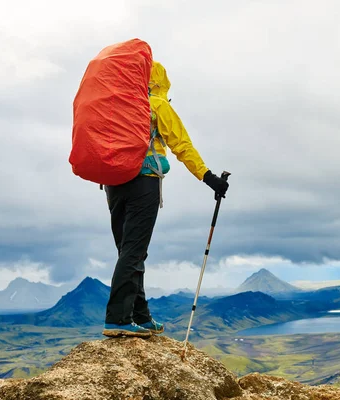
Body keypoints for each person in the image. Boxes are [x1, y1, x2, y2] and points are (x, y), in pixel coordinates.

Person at [102, 61, 229, 338]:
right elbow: (182, 145)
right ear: (160, 80)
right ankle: (117, 319)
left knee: (129, 249)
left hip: (113, 183)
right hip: (144, 181)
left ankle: (140, 315)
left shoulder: (117, 103)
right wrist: (208, 178)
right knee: (134, 251)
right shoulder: (158, 104)